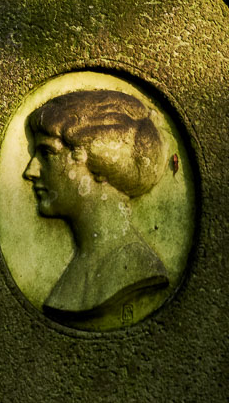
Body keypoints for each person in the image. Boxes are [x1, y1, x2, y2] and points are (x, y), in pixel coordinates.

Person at [23, 89, 169, 326]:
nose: (30, 171)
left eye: (48, 153)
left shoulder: (134, 270)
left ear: (100, 159)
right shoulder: (86, 270)